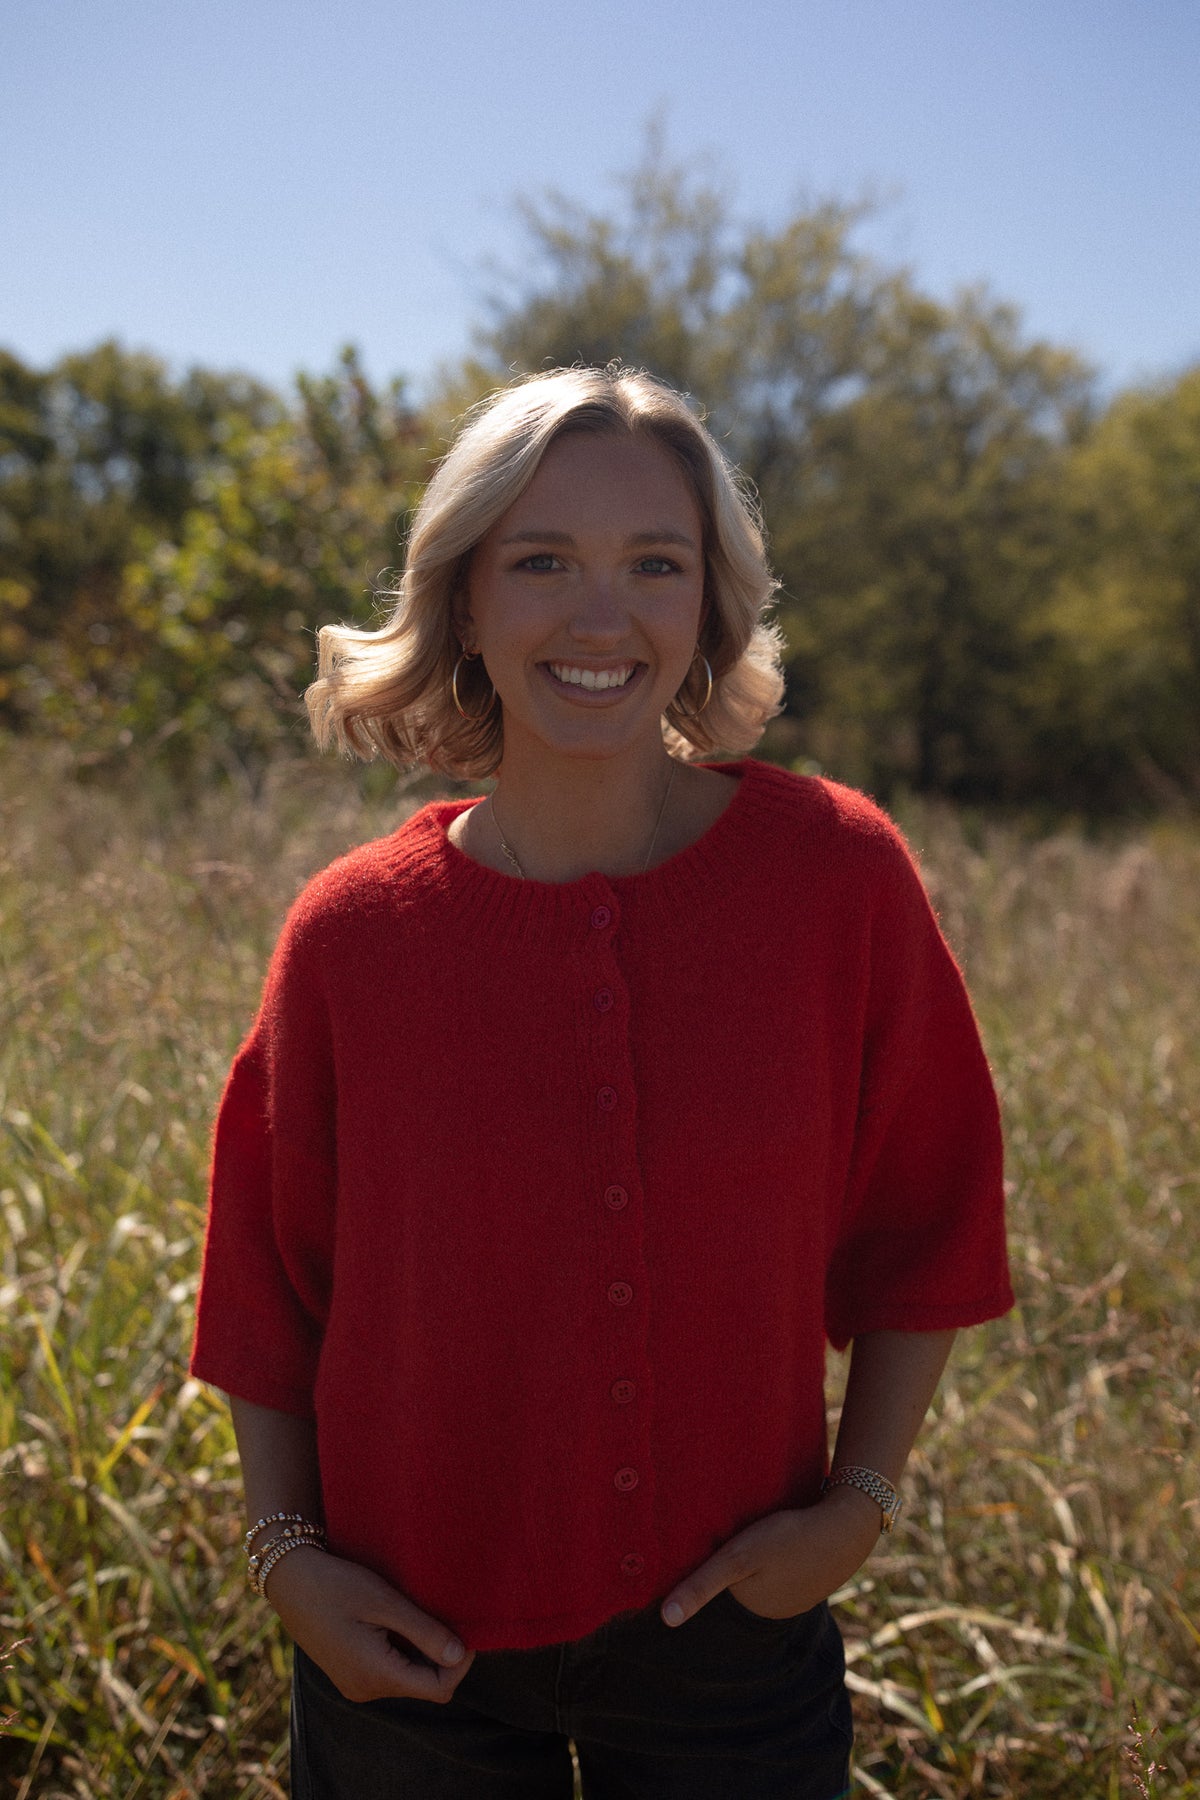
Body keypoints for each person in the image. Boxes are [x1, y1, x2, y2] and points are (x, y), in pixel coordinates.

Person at [190, 366, 1014, 1799]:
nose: (600, 614)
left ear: (710, 604)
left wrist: (856, 1510)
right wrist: (288, 1565)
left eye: (655, 563)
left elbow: (930, 1218)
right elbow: (266, 1290)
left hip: (732, 1638)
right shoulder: (351, 936)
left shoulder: (836, 879)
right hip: (401, 1657)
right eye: (543, 561)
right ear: (464, 601)